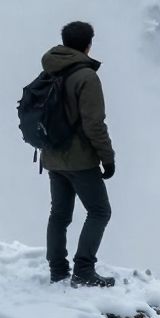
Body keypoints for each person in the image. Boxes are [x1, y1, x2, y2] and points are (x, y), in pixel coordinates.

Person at [40, 20, 116, 287]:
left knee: (59, 215)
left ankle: (57, 270)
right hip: (80, 159)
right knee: (99, 211)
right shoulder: (86, 76)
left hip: (51, 155)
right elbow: (94, 123)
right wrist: (108, 157)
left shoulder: (50, 70)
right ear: (88, 44)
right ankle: (84, 270)